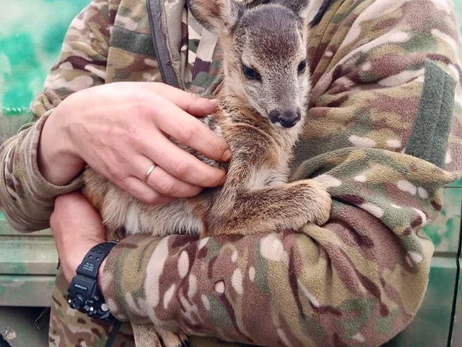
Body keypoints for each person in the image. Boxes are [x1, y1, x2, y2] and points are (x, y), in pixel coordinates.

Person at [1, 0, 461, 346]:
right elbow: (15, 201)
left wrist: (100, 269)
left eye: (300, 70)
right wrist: (60, 133)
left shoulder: (397, 19)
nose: (288, 108)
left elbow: (362, 287)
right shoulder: (119, 11)